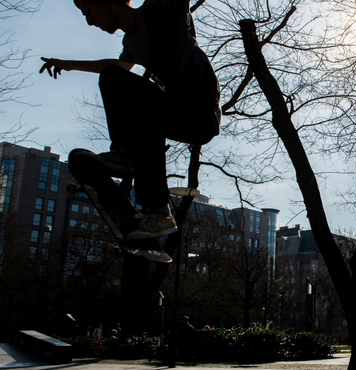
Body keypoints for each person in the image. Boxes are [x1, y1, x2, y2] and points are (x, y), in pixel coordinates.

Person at [40, 0, 221, 239]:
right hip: (176, 110)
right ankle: (149, 195)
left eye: (90, 11)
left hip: (199, 110)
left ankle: (139, 177)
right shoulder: (132, 43)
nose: (90, 21)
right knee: (114, 81)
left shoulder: (160, 9)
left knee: (139, 104)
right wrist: (68, 64)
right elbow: (117, 66)